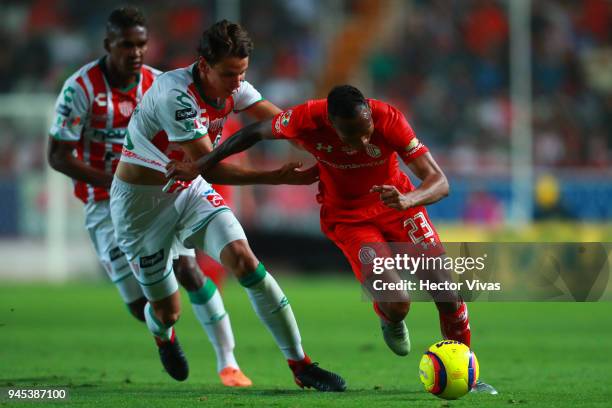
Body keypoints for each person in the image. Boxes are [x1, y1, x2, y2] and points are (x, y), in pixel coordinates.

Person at [109, 20, 346, 392]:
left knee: (245, 260)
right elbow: (210, 163)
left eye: (243, 73)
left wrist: (331, 151)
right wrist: (275, 176)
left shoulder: (234, 85)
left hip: (187, 193)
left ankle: (301, 365)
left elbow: (283, 123)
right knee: (166, 311)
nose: (237, 82)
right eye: (229, 74)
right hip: (140, 211)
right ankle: (163, 336)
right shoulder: (176, 95)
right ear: (204, 65)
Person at [166, 85, 472, 357]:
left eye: (367, 129)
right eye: (352, 134)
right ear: (331, 123)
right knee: (397, 303)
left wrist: (409, 199)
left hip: (398, 204)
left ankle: (466, 371)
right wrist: (202, 163)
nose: (364, 140)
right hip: (348, 218)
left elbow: (439, 181)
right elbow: (253, 132)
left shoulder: (389, 119)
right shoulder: (306, 119)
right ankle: (389, 316)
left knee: (447, 293)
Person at [47, 7, 252, 387]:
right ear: (108, 44)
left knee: (190, 270)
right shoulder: (81, 88)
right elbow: (57, 155)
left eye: (142, 43)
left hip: (162, 195)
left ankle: (229, 361)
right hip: (105, 206)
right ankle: (166, 334)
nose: (137, 51)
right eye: (127, 44)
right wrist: (115, 180)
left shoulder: (160, 84)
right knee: (142, 306)